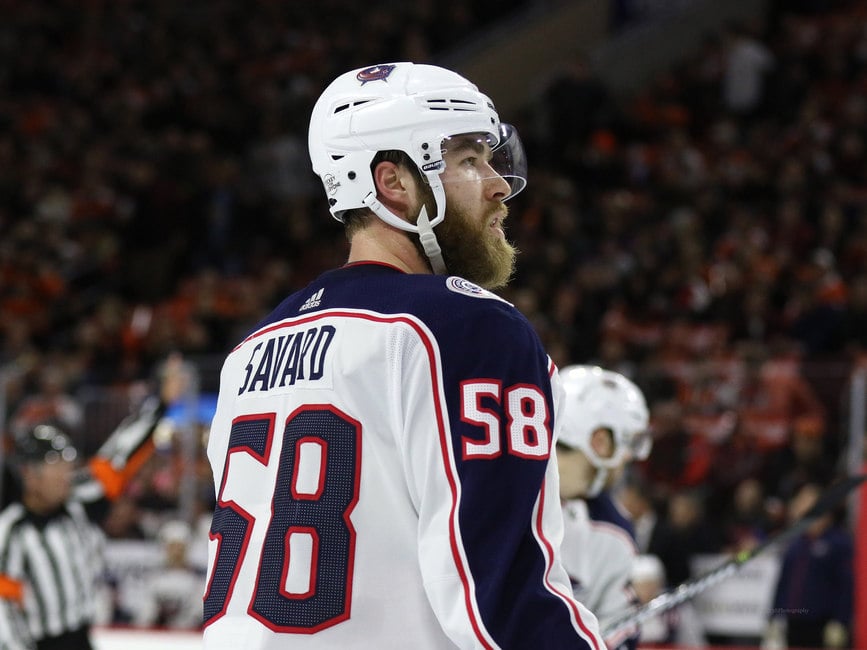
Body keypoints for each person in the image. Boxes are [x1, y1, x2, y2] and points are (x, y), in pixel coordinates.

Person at [202, 62, 605, 649]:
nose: (498, 184)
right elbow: (501, 595)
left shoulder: (250, 348)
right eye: (469, 160)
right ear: (393, 184)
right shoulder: (466, 324)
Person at [0, 356, 187, 650]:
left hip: (82, 639)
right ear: (29, 475)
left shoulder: (77, 499)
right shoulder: (10, 529)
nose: (66, 475)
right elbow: (4, 608)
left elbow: (117, 455)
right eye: (56, 467)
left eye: (67, 465)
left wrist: (160, 404)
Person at [554, 365, 652, 648]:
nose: (628, 460)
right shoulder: (497, 494)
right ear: (599, 442)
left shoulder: (611, 528)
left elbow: (618, 631)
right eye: (626, 445)